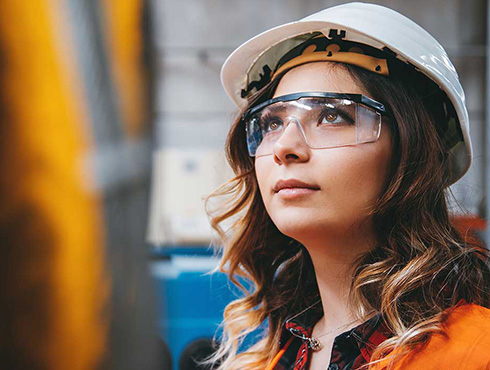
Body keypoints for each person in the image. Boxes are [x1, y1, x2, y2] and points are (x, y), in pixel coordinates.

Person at [206, 3, 490, 369]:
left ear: (411, 151)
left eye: (331, 114)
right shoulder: (266, 360)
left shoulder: (475, 352)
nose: (283, 147)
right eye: (272, 122)